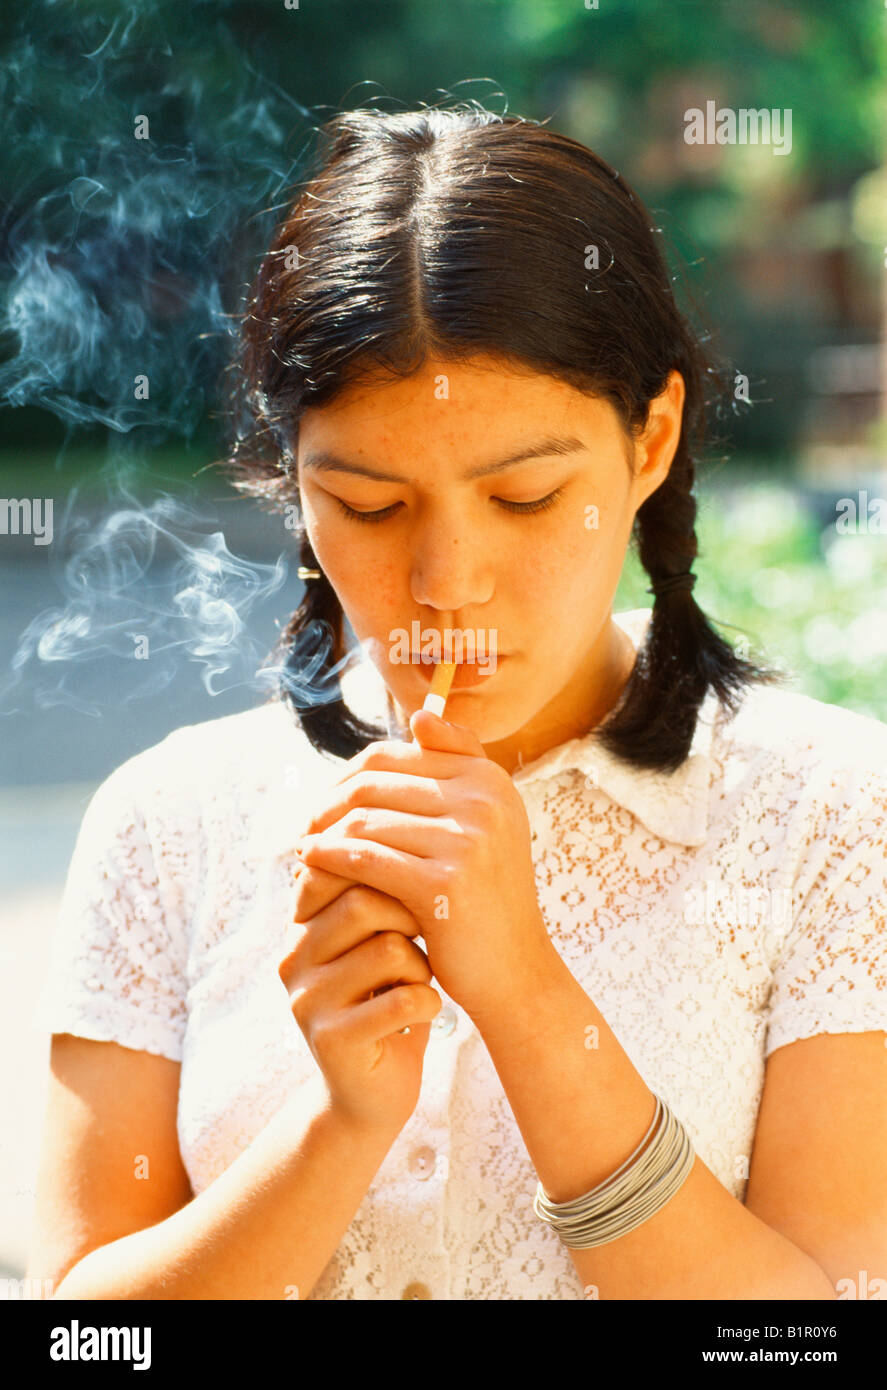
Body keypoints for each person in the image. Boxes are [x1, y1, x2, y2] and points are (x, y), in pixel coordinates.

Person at [28, 105, 887, 1301]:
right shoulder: (171, 822)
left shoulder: (831, 815)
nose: (447, 586)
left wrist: (526, 997)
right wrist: (338, 1126)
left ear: (648, 442)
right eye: (370, 508)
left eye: (527, 495)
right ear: (292, 483)